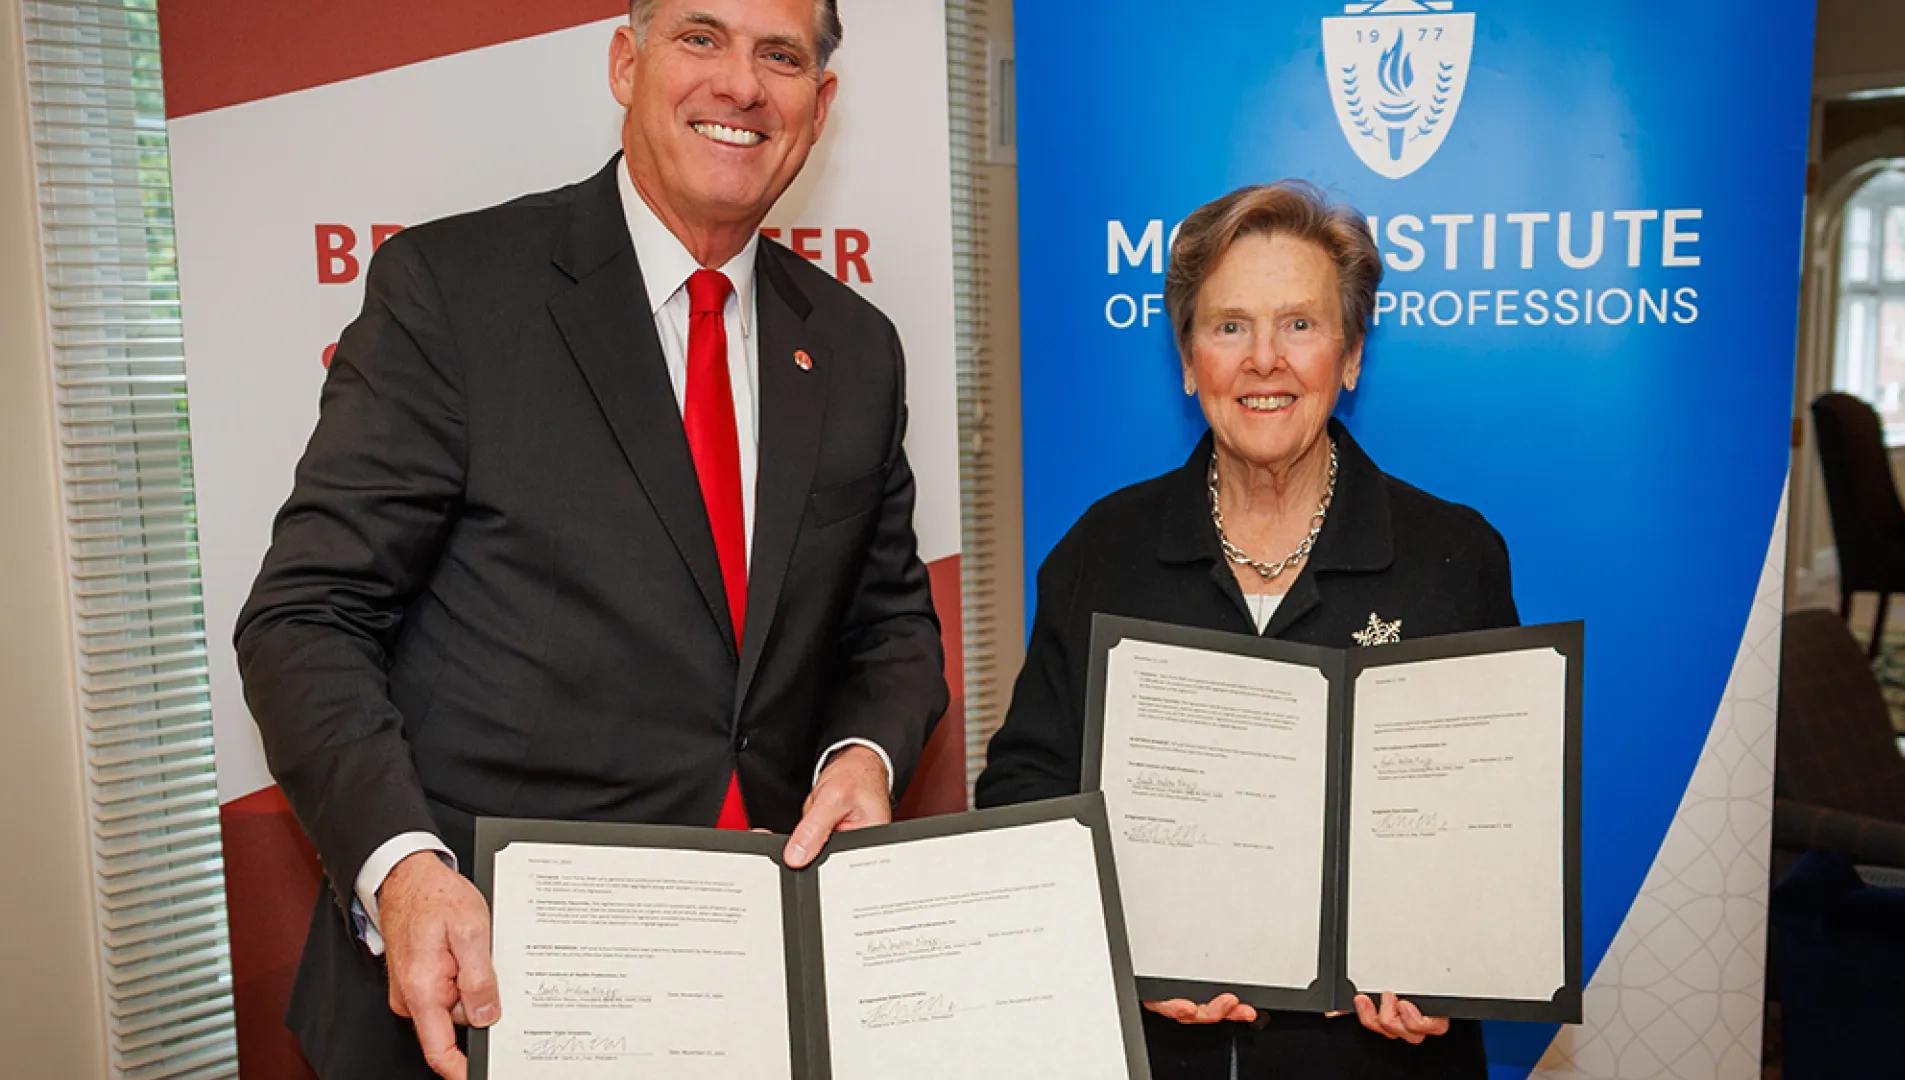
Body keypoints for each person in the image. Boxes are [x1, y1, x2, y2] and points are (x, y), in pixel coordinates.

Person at [235, 2, 947, 1077]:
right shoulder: (453, 291)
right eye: (701, 37)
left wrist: (863, 754)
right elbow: (306, 618)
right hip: (486, 983)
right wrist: (404, 870)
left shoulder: (855, 347)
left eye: (781, 56)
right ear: (626, 63)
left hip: (750, 984)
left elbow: (888, 625)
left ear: (821, 102)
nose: (741, 86)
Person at [975, 179, 1517, 1080]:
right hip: (1152, 1051)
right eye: (1230, 327)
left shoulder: (1452, 556)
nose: (1265, 360)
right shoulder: (1102, 550)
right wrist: (1122, 945)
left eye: (1300, 324)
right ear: (1190, 362)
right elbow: (1023, 790)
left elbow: (1496, 823)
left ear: (1351, 355)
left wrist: (1451, 959)